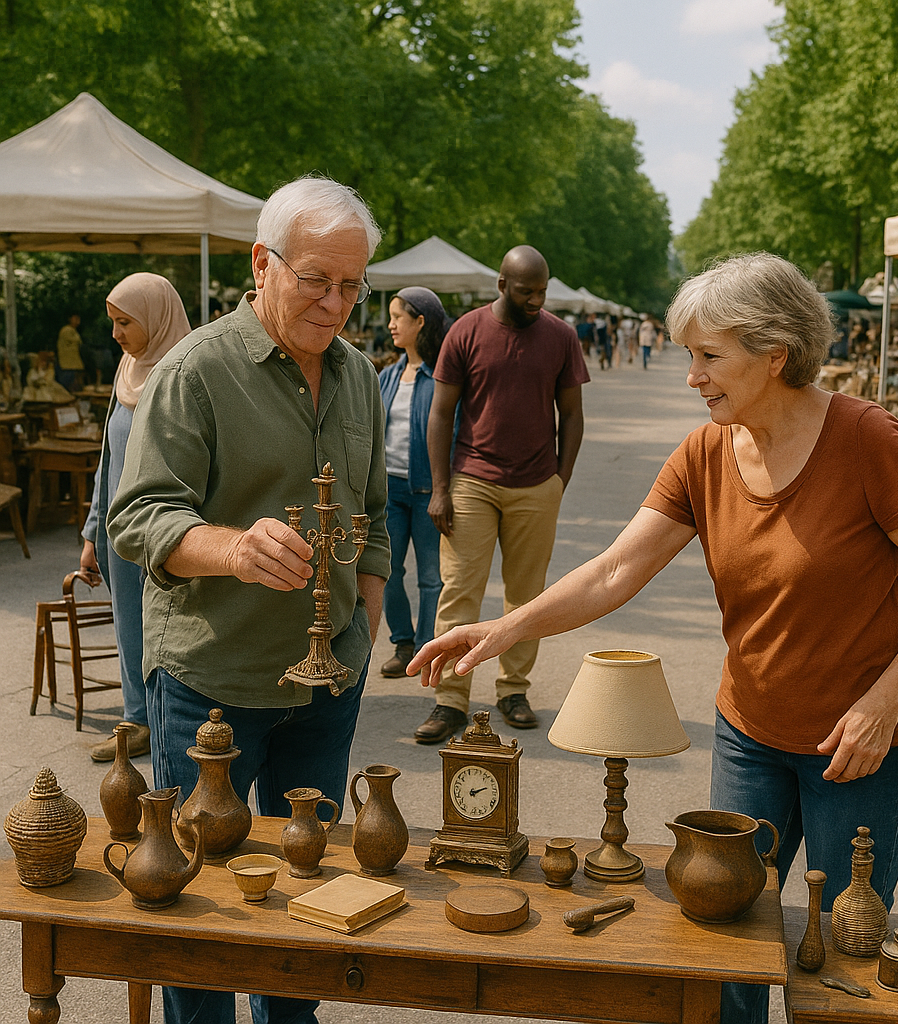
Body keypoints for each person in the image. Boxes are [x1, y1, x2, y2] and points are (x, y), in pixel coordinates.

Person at [409, 253, 898, 1024]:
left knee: (841, 955)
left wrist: (883, 704)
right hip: (750, 735)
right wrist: (502, 626)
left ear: (775, 355)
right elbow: (614, 573)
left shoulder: (865, 438)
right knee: (724, 939)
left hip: (866, 746)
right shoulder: (705, 452)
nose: (692, 377)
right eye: (688, 356)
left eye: (710, 356)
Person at [107, 175, 390, 1024]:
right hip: (213, 690)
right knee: (203, 914)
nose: (335, 302)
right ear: (262, 264)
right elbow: (140, 516)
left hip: (325, 688)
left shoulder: (361, 378)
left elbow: (371, 519)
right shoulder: (194, 372)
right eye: (316, 279)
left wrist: (363, 630)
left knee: (308, 906)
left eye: (352, 284)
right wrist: (233, 547)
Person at [413, 244, 590, 743]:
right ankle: (450, 699)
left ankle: (513, 688)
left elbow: (572, 414)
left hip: (536, 483)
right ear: (501, 285)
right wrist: (440, 488)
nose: (537, 299)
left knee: (525, 596)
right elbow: (441, 412)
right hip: (472, 479)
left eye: (543, 290)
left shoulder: (560, 336)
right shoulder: (466, 332)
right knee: (460, 591)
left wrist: (560, 479)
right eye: (526, 291)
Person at [80, 273, 191, 762]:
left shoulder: (184, 372)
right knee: (128, 620)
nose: (116, 334)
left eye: (125, 322)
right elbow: (108, 456)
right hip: (121, 527)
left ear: (155, 317)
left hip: (167, 525)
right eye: (115, 322)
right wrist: (91, 532)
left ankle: (171, 718)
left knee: (167, 625)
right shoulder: (128, 369)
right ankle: (135, 719)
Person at [377, 286, 449, 678]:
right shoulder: (387, 375)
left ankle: (425, 646)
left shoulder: (442, 377)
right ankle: (402, 643)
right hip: (390, 490)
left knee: (430, 577)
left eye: (397, 317)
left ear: (420, 321)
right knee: (388, 570)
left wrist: (445, 489)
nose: (390, 325)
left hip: (429, 492)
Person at [55, 312, 85, 392]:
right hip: (67, 365)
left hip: (73, 364)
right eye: (75, 319)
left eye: (78, 319)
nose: (77, 321)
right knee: (68, 388)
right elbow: (77, 342)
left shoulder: (74, 331)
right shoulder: (66, 330)